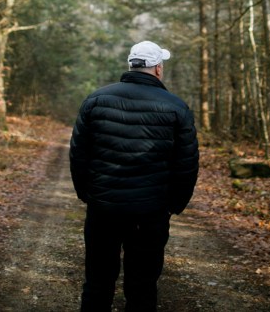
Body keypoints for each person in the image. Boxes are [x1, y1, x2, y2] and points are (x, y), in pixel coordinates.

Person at [69, 40, 200, 312]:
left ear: (131, 65)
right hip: (150, 213)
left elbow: (78, 154)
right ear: (158, 70)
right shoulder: (176, 107)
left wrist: (88, 194)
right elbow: (186, 164)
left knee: (97, 282)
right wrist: (173, 205)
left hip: (103, 209)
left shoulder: (95, 99)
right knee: (142, 286)